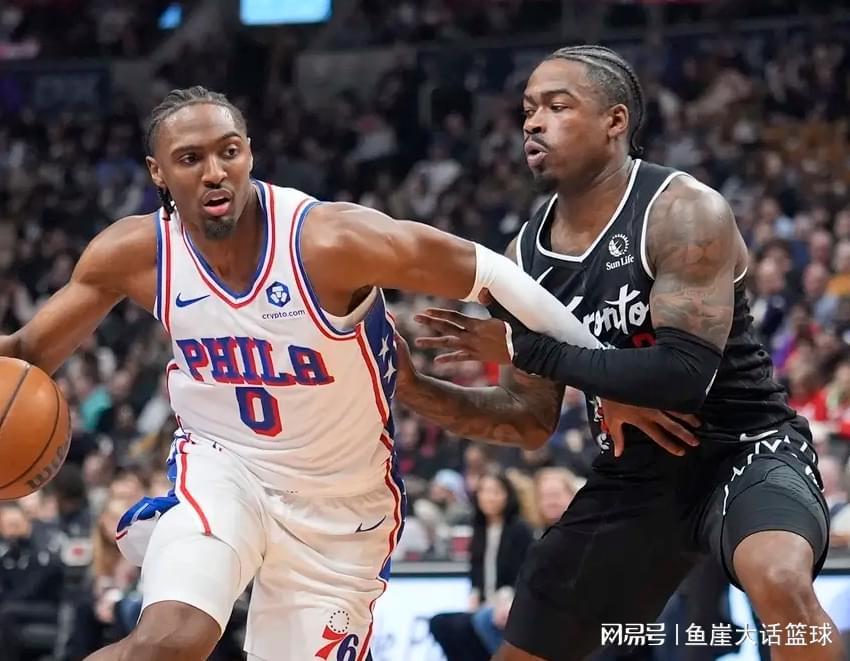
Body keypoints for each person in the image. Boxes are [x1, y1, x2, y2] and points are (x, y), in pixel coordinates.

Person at [0, 86, 690, 661]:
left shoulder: (328, 240)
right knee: (169, 641)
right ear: (158, 173)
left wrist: (607, 380)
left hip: (341, 512)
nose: (214, 171)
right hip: (223, 468)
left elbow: (493, 273)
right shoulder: (135, 253)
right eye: (190, 158)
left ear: (249, 154)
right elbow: (26, 351)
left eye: (229, 151)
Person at [397, 45, 843, 661]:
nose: (534, 123)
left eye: (558, 106)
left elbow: (681, 374)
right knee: (527, 643)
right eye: (528, 110)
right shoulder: (526, 255)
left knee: (780, 580)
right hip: (634, 474)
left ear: (615, 121)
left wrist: (529, 349)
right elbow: (528, 420)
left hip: (744, 448)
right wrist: (415, 389)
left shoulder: (683, 210)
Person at [429, 471, 533, 661]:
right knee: (441, 623)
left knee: (482, 620)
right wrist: (475, 593)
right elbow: (476, 573)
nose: (489, 497)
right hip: (485, 604)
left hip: (510, 604)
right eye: (484, 492)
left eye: (495, 492)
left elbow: (525, 572)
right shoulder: (479, 530)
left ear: (507, 496)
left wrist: (508, 599)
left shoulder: (520, 529)